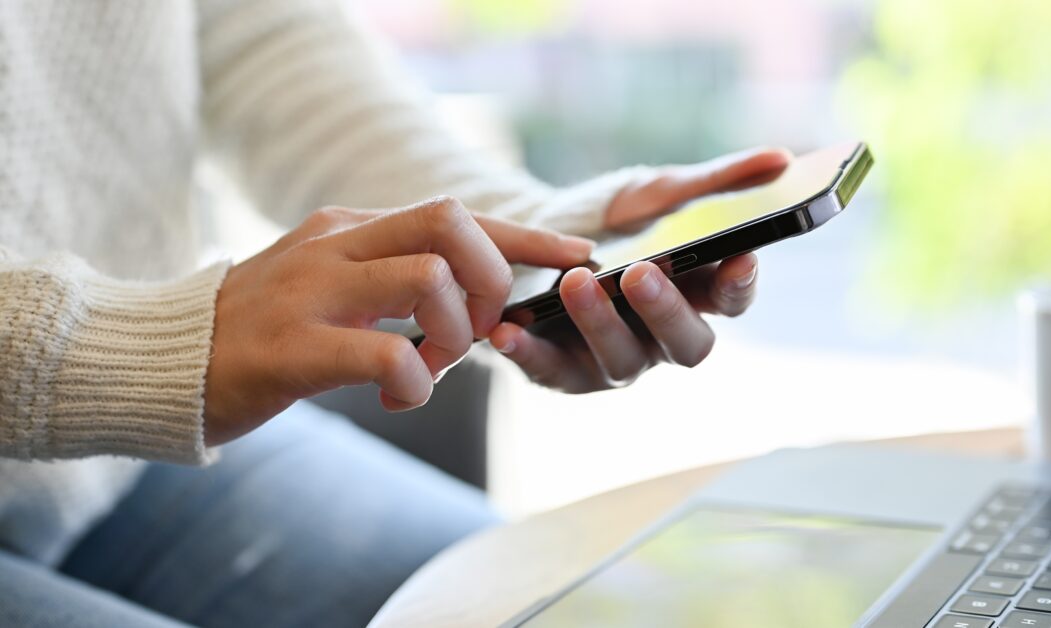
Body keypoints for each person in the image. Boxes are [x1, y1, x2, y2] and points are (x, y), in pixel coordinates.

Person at [0, 1, 789, 626]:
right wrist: (143, 354)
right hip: (150, 402)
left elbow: (261, 44)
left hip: (136, 467)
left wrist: (530, 242)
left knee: (576, 610)